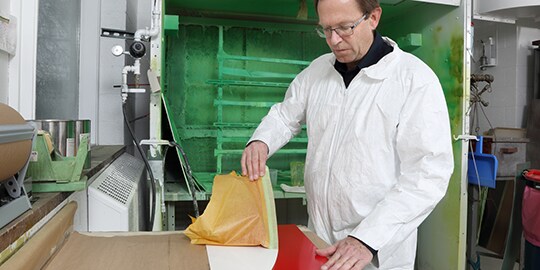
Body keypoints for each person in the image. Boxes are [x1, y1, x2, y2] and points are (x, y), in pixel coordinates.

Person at [241, 0, 454, 269]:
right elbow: (285, 115)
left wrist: (366, 240)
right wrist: (261, 141)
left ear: (373, 17)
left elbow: (428, 174)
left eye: (344, 27)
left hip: (375, 251)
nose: (334, 40)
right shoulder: (318, 71)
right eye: (325, 30)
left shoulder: (413, 79)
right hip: (320, 238)